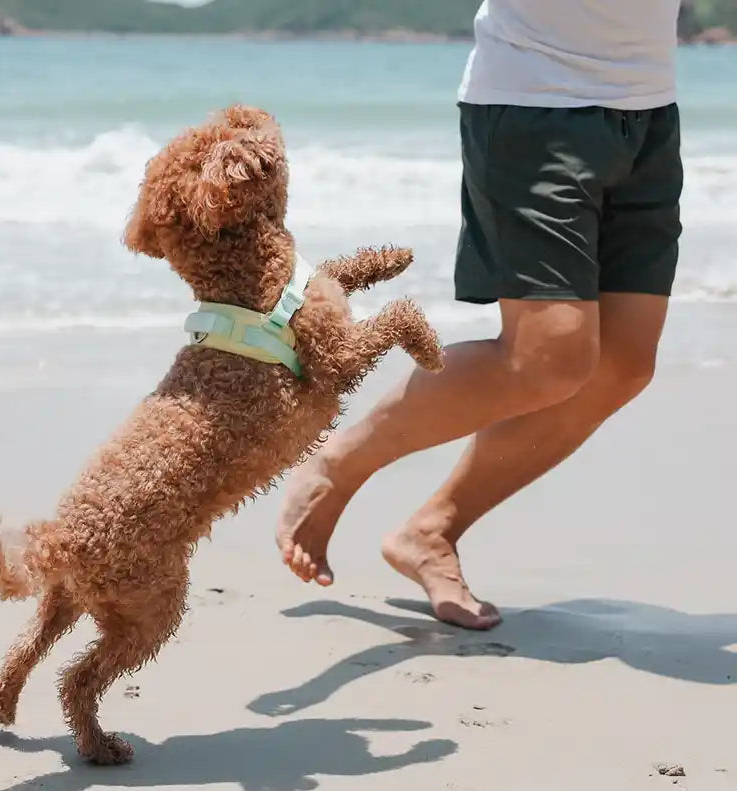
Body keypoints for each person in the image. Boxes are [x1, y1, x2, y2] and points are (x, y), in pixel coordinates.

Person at [276, 0, 684, 629]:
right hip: (538, 102)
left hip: (649, 110)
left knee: (623, 365)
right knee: (546, 359)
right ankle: (336, 465)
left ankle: (431, 530)